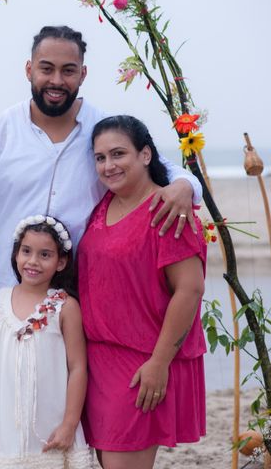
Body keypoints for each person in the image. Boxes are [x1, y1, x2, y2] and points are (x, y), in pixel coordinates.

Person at [0, 25, 203, 360]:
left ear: (82, 74)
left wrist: (185, 186)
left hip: (77, 305)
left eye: (68, 71)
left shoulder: (105, 131)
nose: (56, 81)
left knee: (68, 406)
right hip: (3, 298)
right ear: (29, 69)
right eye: (46, 68)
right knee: (0, 403)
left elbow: (167, 170)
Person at [77, 115, 206, 468]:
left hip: (141, 361)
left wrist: (159, 363)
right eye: (100, 158)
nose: (108, 165)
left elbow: (190, 290)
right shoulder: (104, 204)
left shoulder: (168, 210)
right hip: (97, 361)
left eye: (118, 154)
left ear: (146, 155)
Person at [0, 215, 93, 468]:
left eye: (45, 255)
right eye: (26, 251)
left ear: (61, 262)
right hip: (3, 424)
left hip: (50, 423)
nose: (33, 261)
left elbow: (78, 367)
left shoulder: (65, 307)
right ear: (16, 254)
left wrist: (70, 423)